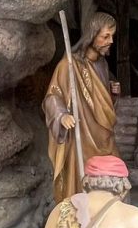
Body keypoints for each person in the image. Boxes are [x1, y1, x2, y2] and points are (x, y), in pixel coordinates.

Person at [43, 12, 121, 205]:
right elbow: (53, 95)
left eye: (112, 36)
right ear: (92, 35)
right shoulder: (68, 66)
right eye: (105, 36)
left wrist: (112, 94)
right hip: (82, 136)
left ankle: (108, 215)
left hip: (103, 137)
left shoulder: (103, 65)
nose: (111, 41)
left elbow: (102, 105)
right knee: (82, 180)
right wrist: (62, 115)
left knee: (112, 175)